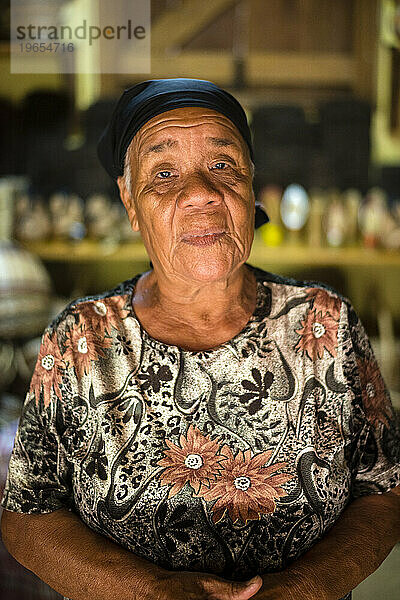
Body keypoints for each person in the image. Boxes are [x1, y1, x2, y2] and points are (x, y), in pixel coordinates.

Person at [1, 78, 400, 600]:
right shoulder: (81, 339)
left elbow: (384, 488)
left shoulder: (329, 324)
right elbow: (27, 514)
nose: (201, 194)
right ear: (129, 200)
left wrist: (305, 589)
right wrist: (150, 593)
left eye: (222, 165)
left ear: (251, 184)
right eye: (164, 174)